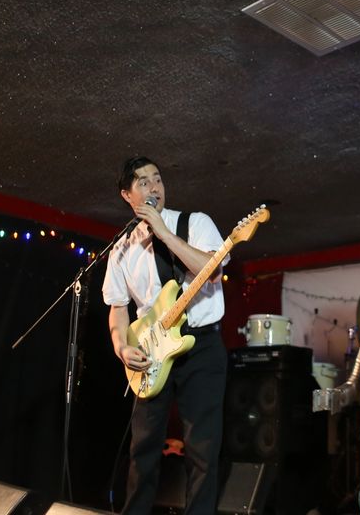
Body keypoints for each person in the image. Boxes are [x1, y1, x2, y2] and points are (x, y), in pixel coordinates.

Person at [101, 156, 229, 515]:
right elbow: (117, 306)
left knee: (202, 448)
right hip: (152, 350)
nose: (154, 187)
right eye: (143, 182)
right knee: (142, 448)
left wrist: (165, 234)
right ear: (127, 195)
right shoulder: (121, 248)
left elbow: (212, 269)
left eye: (157, 179)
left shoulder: (195, 223)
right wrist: (121, 346)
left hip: (200, 346)